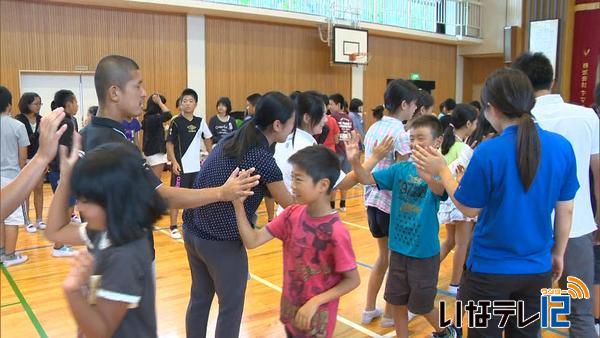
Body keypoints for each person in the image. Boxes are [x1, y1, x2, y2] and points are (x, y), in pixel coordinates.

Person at [413, 68, 578, 337]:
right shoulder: (561, 147)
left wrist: (443, 171)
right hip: (537, 268)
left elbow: (468, 207)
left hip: (489, 272)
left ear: (491, 108)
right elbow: (565, 210)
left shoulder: (490, 151)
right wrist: (558, 253)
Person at [79, 54, 260, 283]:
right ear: (114, 93)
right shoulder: (117, 146)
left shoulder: (85, 136)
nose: (144, 93)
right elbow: (162, 196)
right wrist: (222, 193)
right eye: (138, 85)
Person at [182, 91, 297, 337]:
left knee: (200, 299)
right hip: (219, 240)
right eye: (292, 122)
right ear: (277, 125)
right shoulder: (262, 158)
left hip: (193, 229)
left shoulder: (237, 137)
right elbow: (290, 204)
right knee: (231, 308)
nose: (293, 128)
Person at [513, 52, 600, 337]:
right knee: (581, 312)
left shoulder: (520, 121)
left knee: (527, 313)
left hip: (528, 231)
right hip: (578, 226)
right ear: (552, 79)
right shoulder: (587, 116)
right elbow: (598, 174)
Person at [234, 145, 360, 337]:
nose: (292, 185)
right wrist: (237, 204)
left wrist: (315, 301)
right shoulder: (292, 213)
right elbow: (252, 241)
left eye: (298, 179)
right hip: (291, 311)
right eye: (292, 178)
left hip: (317, 320)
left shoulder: (336, 232)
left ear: (323, 185)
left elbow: (352, 280)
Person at [349, 115, 457, 338]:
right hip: (398, 249)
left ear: (437, 142)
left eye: (421, 137)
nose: (415, 143)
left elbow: (440, 191)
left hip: (424, 252)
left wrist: (427, 176)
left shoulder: (441, 170)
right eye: (412, 138)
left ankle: (447, 330)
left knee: (422, 305)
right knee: (396, 300)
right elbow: (365, 179)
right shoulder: (400, 169)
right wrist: (355, 162)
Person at [45, 141, 166, 338]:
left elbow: (101, 332)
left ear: (113, 202)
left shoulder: (125, 255)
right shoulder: (103, 230)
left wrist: (73, 291)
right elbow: (55, 231)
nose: (79, 208)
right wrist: (66, 180)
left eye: (85, 200)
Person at [360, 79, 418, 328]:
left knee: (383, 258)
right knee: (396, 263)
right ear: (404, 104)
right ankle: (389, 316)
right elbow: (402, 175)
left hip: (371, 203)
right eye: (414, 105)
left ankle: (368, 309)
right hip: (390, 205)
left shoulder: (374, 128)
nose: (415, 109)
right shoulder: (400, 134)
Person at [437, 103, 478, 296]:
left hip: (446, 198)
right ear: (468, 123)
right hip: (459, 197)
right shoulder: (462, 147)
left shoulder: (447, 143)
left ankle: (427, 271)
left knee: (450, 241)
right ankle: (455, 284)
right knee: (462, 243)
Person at [166, 88, 213, 239]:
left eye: (190, 101)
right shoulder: (176, 122)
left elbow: (208, 138)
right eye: (184, 101)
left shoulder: (200, 122)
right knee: (176, 197)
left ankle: (192, 224)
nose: (187, 104)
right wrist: (173, 162)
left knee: (195, 197)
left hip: (196, 168)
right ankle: (173, 226)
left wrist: (211, 156)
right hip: (180, 168)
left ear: (195, 104)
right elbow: (169, 144)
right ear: (180, 104)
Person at [47, 89, 79, 257]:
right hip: (62, 172)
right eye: (75, 102)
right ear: (68, 104)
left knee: (66, 208)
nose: (77, 105)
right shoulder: (66, 122)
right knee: (65, 209)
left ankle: (61, 244)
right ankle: (59, 246)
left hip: (56, 170)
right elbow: (63, 150)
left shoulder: (60, 120)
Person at [0, 85, 30, 266]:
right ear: (10, 105)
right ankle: (10, 256)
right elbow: (23, 156)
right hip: (10, 178)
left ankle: (2, 250)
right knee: (13, 217)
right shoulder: (17, 125)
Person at [15, 92, 45, 232]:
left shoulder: (41, 119)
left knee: (39, 189)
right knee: (25, 191)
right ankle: (26, 220)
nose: (39, 106)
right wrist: (38, 133)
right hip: (24, 159)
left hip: (38, 159)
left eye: (40, 103)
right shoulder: (19, 120)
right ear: (27, 104)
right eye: (36, 103)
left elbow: (44, 141)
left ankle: (39, 219)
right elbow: (25, 142)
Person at [328, 93, 354, 212]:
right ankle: (343, 204)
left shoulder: (333, 117)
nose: (329, 106)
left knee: (334, 179)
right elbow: (353, 134)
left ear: (338, 104)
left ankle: (332, 205)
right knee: (345, 179)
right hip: (346, 152)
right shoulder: (349, 118)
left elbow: (335, 137)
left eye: (331, 104)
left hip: (337, 152)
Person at [142, 93, 172, 179]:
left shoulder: (148, 118)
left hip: (151, 152)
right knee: (156, 181)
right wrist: (159, 102)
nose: (163, 106)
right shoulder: (153, 118)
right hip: (155, 153)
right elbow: (168, 114)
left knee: (152, 180)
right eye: (162, 104)